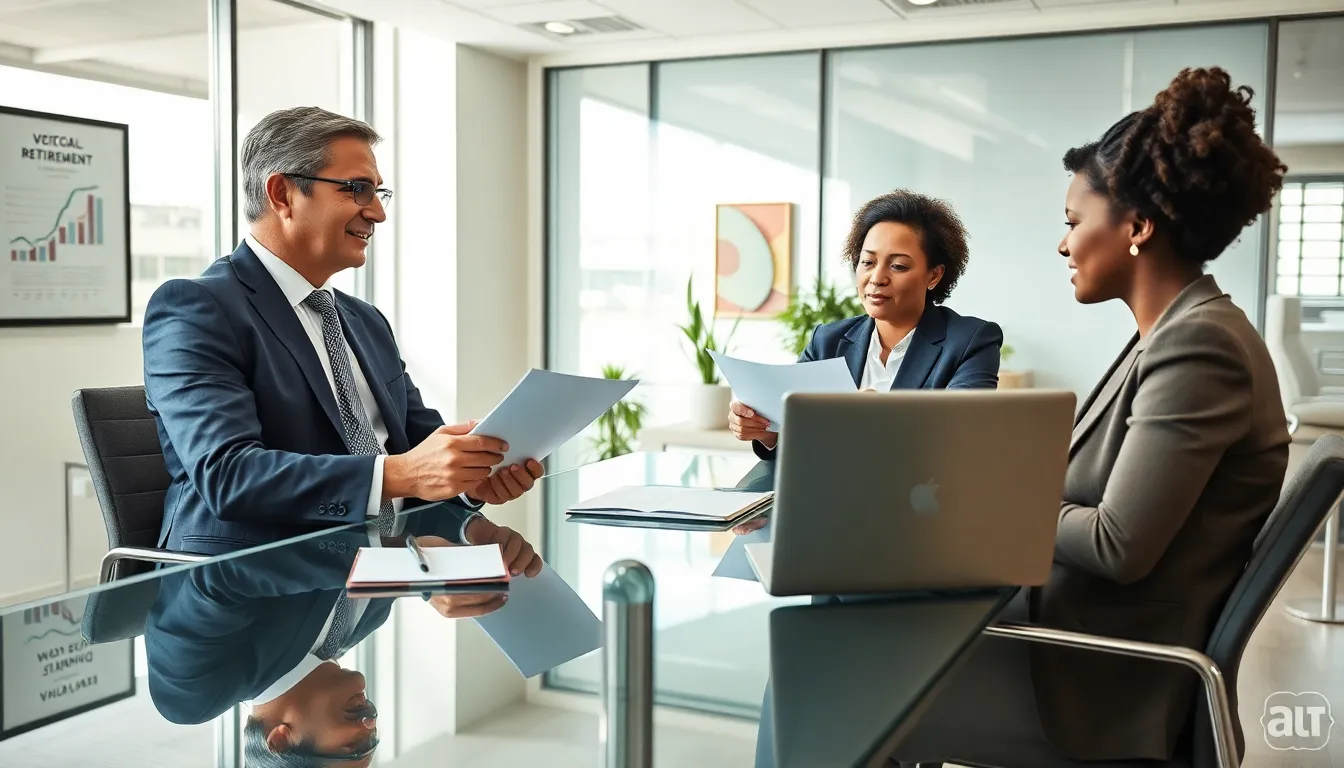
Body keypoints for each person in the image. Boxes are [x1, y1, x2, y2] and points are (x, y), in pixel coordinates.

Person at [886, 67, 1290, 767]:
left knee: (850, 670)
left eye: (1073, 222)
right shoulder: (1169, 334)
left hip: (1092, 678)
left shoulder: (1200, 345)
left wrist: (985, 500)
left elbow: (1117, 543)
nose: (1063, 244)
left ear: (1135, 226)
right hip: (1070, 631)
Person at [141, 107, 540, 569]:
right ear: (282, 193)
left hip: (369, 578)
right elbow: (230, 476)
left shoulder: (364, 321)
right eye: (358, 189)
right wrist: (401, 475)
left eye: (378, 191)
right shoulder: (196, 308)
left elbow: (417, 446)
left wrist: (469, 479)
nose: (378, 212)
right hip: (240, 591)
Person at [146, 512, 506, 766]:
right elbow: (408, 520)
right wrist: (471, 527)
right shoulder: (364, 624)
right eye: (374, 741)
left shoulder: (194, 694)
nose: (371, 725)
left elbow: (220, 568)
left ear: (281, 739)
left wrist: (404, 567)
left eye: (352, 747)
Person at [727, 189, 1003, 462]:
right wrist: (765, 430)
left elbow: (964, 429)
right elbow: (797, 429)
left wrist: (879, 416)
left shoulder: (971, 340)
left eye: (898, 266)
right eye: (868, 262)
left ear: (934, 275)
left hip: (923, 496)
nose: (876, 278)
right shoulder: (828, 341)